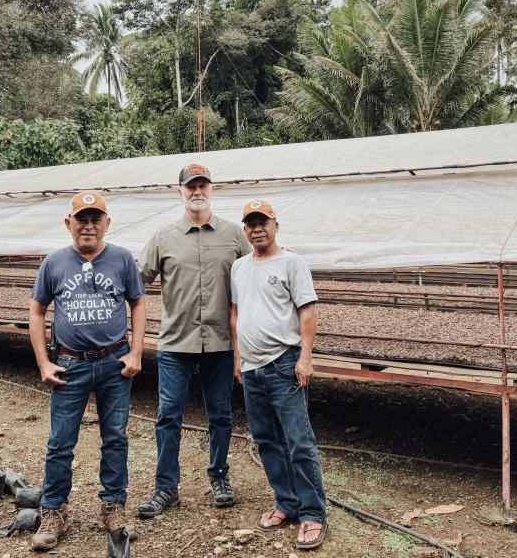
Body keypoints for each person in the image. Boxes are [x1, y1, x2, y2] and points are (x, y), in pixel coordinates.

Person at [27, 190, 146, 552]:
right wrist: (44, 361)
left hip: (114, 363)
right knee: (60, 443)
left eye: (96, 219)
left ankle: (113, 506)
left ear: (107, 223)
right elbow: (37, 311)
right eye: (81, 219)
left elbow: (138, 303)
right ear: (69, 224)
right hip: (70, 365)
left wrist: (136, 352)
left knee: (116, 437)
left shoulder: (123, 260)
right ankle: (53, 510)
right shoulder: (54, 263)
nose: (88, 226)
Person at [136, 164, 252, 518]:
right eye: (190, 186)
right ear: (181, 193)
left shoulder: (235, 235)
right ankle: (166, 487)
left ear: (212, 190)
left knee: (220, 415)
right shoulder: (163, 237)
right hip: (175, 343)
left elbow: (257, 275)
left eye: (202, 185)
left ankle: (219, 476)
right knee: (168, 416)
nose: (197, 191)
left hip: (220, 342)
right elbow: (136, 281)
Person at [229, 199, 327, 550]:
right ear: (246, 230)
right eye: (251, 224)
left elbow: (307, 312)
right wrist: (239, 358)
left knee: (298, 440)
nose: (257, 228)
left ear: (275, 225)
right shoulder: (239, 267)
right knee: (266, 439)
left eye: (263, 222)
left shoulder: (292, 263)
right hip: (252, 368)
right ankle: (287, 502)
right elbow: (237, 314)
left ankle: (313, 511)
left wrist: (305, 358)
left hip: (283, 363)